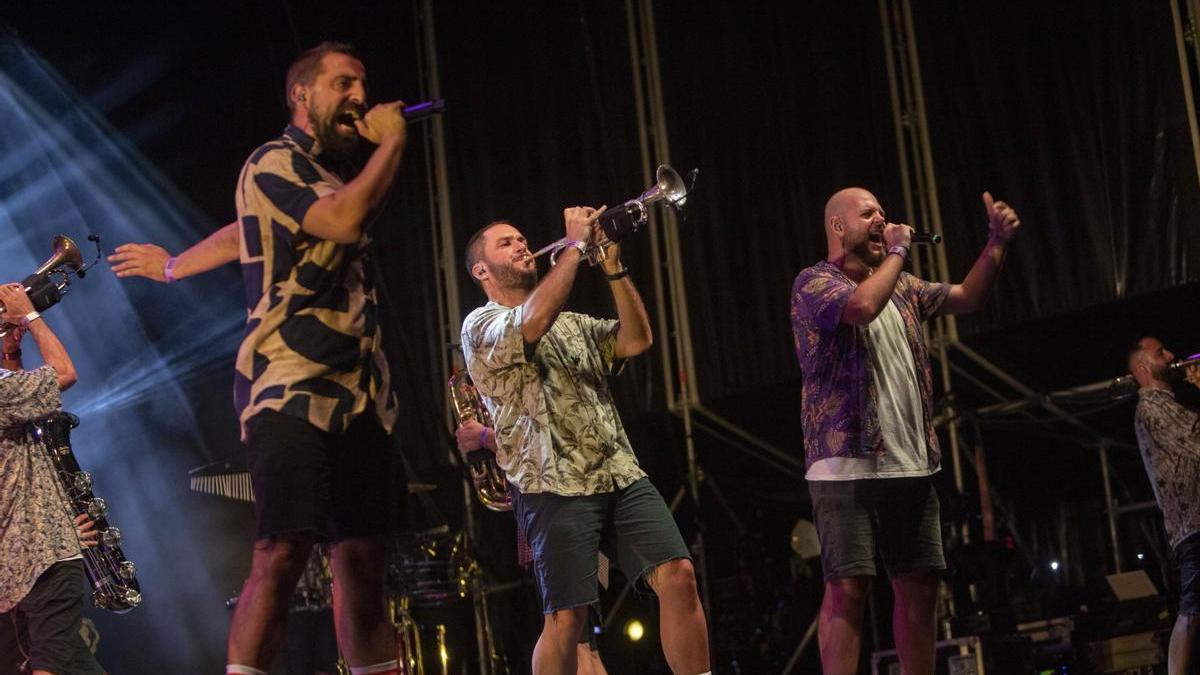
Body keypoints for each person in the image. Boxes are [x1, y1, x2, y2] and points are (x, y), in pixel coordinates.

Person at [109, 41, 410, 675]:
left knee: (362, 563)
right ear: (303, 96)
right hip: (289, 384)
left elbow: (246, 229)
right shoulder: (271, 161)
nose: (359, 96)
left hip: (359, 393)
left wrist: (171, 265)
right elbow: (342, 222)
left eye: (363, 84)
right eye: (344, 84)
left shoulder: (325, 174)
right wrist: (392, 144)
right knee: (283, 552)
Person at [460, 211, 711, 675]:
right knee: (566, 620)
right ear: (481, 270)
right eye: (506, 243)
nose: (521, 245)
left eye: (522, 237)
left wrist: (613, 266)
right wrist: (575, 247)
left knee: (679, 575)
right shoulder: (480, 324)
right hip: (552, 485)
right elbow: (530, 323)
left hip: (618, 472)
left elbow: (637, 340)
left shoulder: (571, 323)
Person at [790, 188, 1020, 674]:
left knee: (920, 586)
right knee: (849, 588)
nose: (882, 219)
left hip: (910, 462)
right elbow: (859, 308)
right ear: (837, 226)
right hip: (845, 464)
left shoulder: (905, 286)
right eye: (869, 213)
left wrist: (995, 244)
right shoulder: (814, 282)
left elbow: (968, 297)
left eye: (884, 213)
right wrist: (896, 250)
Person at [456, 417, 610, 675]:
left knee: (573, 638)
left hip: (558, 512)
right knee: (583, 642)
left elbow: (544, 440)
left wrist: (485, 437)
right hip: (559, 513)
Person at [0, 282, 95, 675]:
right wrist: (30, 315)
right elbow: (65, 373)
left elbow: (22, 413)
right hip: (45, 562)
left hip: (20, 567)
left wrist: (12, 351)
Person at [1129, 336, 1200, 674]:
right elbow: (1195, 441)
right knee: (1192, 610)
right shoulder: (1151, 407)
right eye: (1160, 352)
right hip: (1194, 524)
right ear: (1143, 367)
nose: (1172, 355)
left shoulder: (1169, 404)